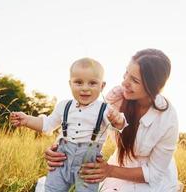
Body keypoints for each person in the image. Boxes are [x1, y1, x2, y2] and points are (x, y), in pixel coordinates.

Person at [44, 49, 180, 192]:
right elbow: (82, 124)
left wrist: (109, 171)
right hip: (119, 165)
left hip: (149, 177)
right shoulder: (116, 98)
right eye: (126, 73)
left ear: (153, 88)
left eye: (134, 80)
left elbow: (155, 173)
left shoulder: (167, 119)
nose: (124, 82)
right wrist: (58, 149)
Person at [10, 58, 128, 192]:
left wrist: (118, 120)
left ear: (102, 86)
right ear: (70, 84)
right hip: (62, 160)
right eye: (78, 82)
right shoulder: (64, 106)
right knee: (52, 189)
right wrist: (27, 120)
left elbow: (119, 125)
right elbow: (47, 124)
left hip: (87, 164)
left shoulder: (105, 109)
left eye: (92, 83)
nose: (85, 88)